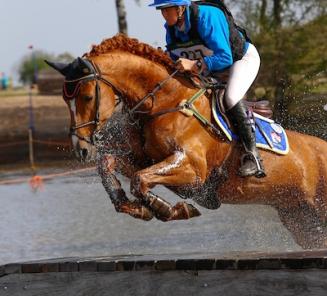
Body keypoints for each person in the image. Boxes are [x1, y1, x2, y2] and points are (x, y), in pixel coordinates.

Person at [148, 0, 266, 178]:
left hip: (240, 60)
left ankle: (253, 156)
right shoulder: (171, 29)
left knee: (231, 98)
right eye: (161, 10)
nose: (164, 14)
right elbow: (175, 57)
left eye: (167, 9)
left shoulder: (207, 16)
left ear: (180, 8)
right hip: (213, 69)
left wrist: (194, 65)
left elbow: (225, 57)